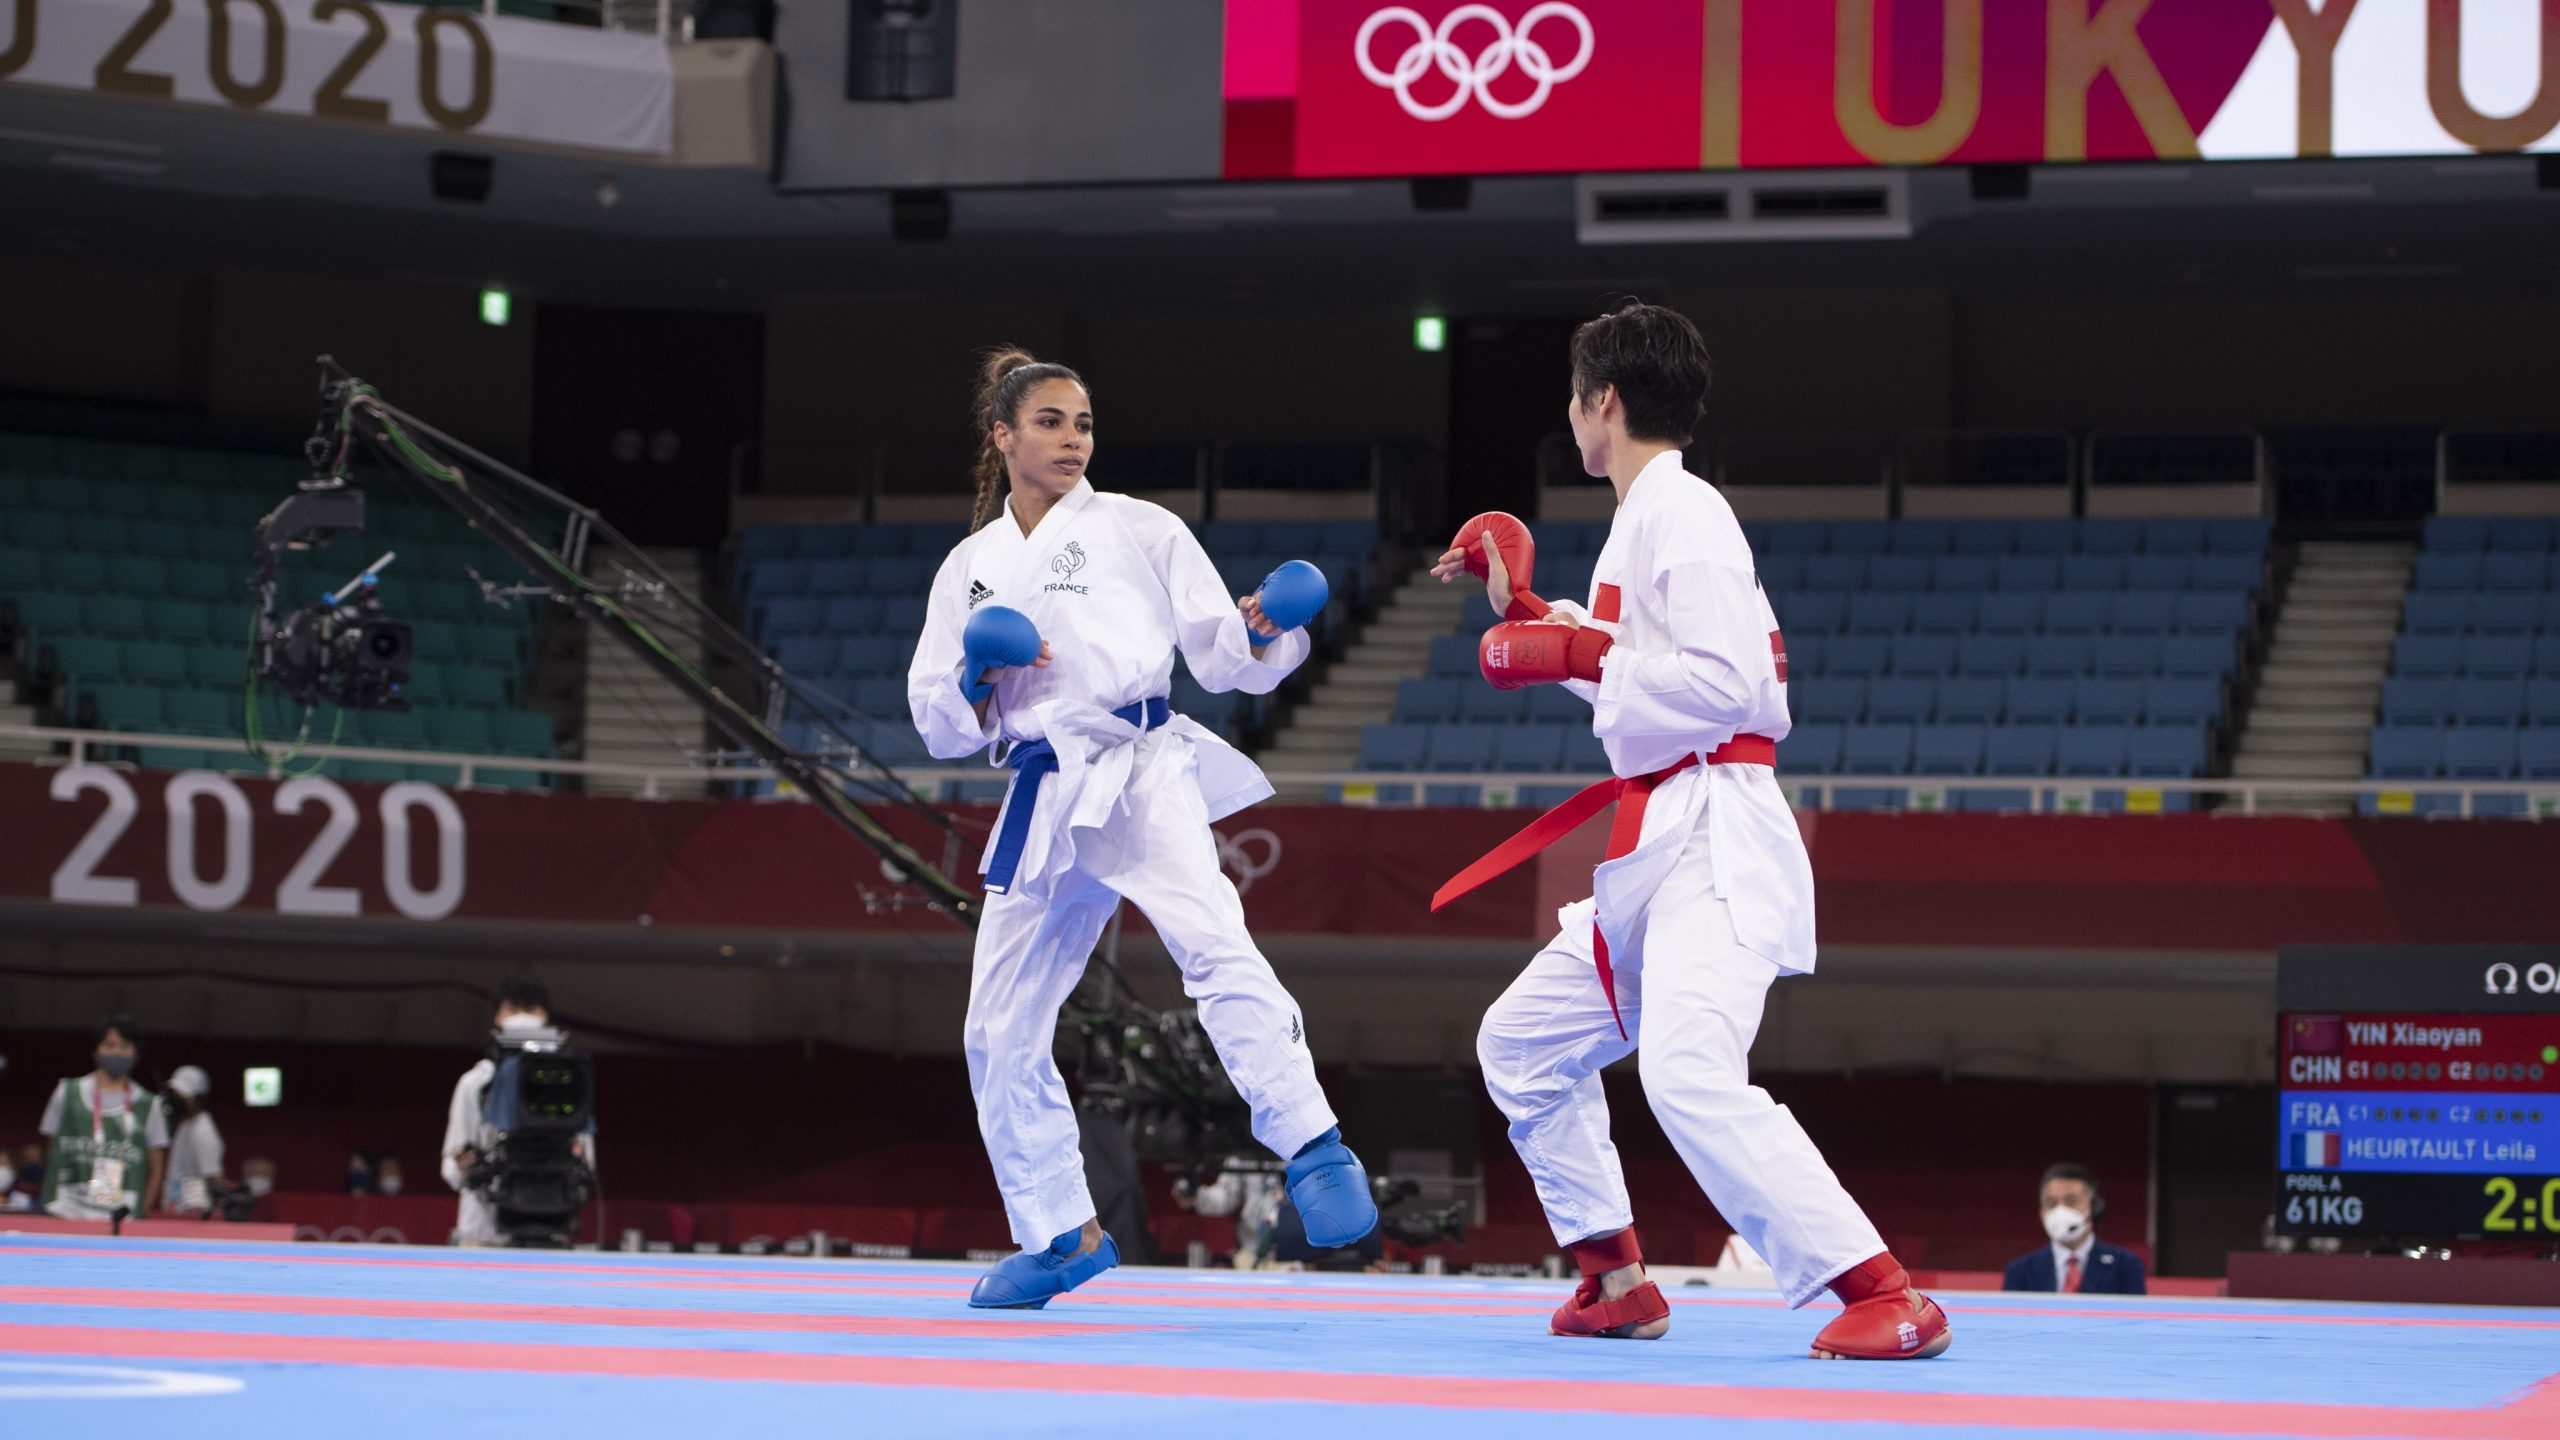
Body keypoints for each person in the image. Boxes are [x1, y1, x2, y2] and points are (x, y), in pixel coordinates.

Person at [1431, 302, 1951, 1360]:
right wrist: (1532, 610)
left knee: (1688, 1073)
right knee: (1523, 1046)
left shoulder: (1685, 513)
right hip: (1658, 828)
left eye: (1575, 396)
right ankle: (1614, 1279)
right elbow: (1641, 686)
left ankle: (1882, 1289)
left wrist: (1569, 655)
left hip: (1714, 825)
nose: (1572, 414)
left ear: (1603, 402)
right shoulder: (1648, 518)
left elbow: (1723, 685)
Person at [908, 348, 1376, 1310]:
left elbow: (1226, 658)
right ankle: (1060, 1234)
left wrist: (1260, 628)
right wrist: (974, 678)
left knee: (1213, 943)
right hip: (1043, 787)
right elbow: (937, 720)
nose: (1072, 438)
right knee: (997, 1027)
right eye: (1048, 422)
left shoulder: (1141, 528)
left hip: (1139, 767)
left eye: (1082, 423)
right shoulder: (971, 567)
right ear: (1003, 437)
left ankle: (1313, 1144)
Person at [440, 977, 594, 1246]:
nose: (522, 1018)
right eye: (513, 1009)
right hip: (484, 1233)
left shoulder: (570, 1081)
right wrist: (477, 1169)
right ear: (497, 1018)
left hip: (551, 1228)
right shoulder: (475, 1082)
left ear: (545, 1017)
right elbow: (453, 1163)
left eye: (531, 1010)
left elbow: (586, 1161)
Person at [35, 1015, 169, 1221]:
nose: (116, 1052)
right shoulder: (66, 1092)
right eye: (109, 1045)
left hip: (121, 1215)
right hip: (66, 1210)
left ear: (136, 1053)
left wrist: (140, 1214)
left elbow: (157, 1168)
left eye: (125, 1046)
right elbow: (52, 1148)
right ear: (96, 1050)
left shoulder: (150, 1105)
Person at [2004, 1163, 2147, 1295]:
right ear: (2041, 1212)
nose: (2060, 1210)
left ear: (2094, 1207)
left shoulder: (2125, 1265)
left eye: (2071, 1201)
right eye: (2051, 1203)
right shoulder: (2020, 1270)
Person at [162, 1065, 227, 1216]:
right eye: (174, 1093)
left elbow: (215, 1179)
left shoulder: (203, 1132)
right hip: (177, 1210)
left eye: (183, 1095)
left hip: (194, 1215)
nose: (176, 1098)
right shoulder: (186, 1124)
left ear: (198, 1098)